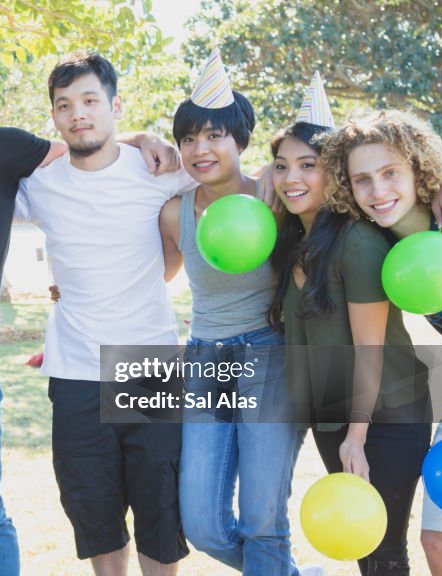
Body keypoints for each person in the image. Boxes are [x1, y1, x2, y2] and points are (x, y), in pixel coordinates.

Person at [14, 51, 191, 576]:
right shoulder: (41, 185)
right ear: (54, 117)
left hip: (148, 363)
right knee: (94, 513)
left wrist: (147, 139)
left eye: (90, 100)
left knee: (160, 512)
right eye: (64, 105)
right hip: (74, 372)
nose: (78, 114)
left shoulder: (159, 169)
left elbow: (235, 182)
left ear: (115, 105)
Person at [321, 108, 442, 576]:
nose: (378, 190)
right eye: (362, 179)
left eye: (390, 173)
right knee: (440, 543)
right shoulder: (377, 243)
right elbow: (284, 180)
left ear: (419, 170)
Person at [267, 78, 434, 574]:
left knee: (384, 554)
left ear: (334, 174)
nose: (291, 178)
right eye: (282, 167)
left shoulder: (357, 241)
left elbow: (370, 350)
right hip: (334, 417)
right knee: (363, 550)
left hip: (386, 415)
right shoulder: (295, 240)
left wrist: (356, 438)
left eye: (308, 166)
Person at [158, 48, 307, 575]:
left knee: (264, 520)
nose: (201, 148)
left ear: (240, 140)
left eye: (215, 135)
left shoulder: (276, 199)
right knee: (202, 524)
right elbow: (160, 274)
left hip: (270, 355)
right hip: (204, 358)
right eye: (189, 138)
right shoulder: (174, 212)